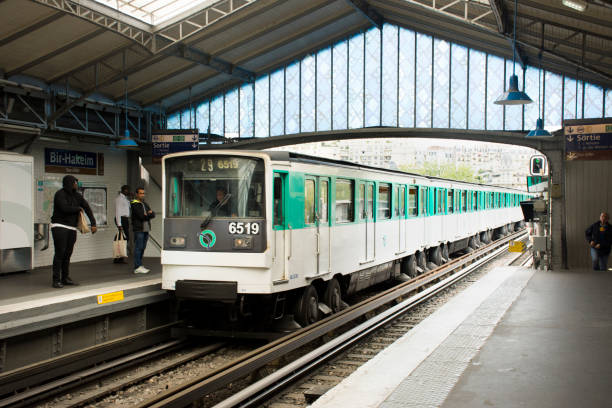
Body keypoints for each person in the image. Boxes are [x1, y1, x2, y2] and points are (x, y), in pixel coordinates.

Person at [50, 175, 97, 288]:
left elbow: (87, 207)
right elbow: (64, 208)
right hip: (59, 226)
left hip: (71, 228)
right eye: (75, 182)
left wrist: (93, 223)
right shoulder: (60, 194)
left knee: (68, 254)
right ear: (69, 183)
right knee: (60, 253)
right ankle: (56, 280)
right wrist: (78, 209)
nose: (76, 184)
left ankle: (65, 277)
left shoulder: (77, 196)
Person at [131, 187, 155, 274]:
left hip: (146, 229)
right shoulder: (134, 204)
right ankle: (137, 266)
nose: (142, 195)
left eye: (143, 193)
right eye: (140, 193)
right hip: (139, 229)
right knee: (138, 247)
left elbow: (153, 214)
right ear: (137, 194)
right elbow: (141, 216)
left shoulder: (144, 203)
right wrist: (148, 214)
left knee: (143, 248)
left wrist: (149, 214)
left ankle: (140, 265)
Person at [114, 185, 131, 264]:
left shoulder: (125, 199)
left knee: (124, 238)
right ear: (124, 190)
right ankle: (118, 257)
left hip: (125, 219)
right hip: (121, 219)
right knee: (123, 238)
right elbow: (118, 211)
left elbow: (129, 206)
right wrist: (119, 224)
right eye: (127, 190)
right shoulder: (119, 199)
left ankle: (120, 257)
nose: (128, 192)